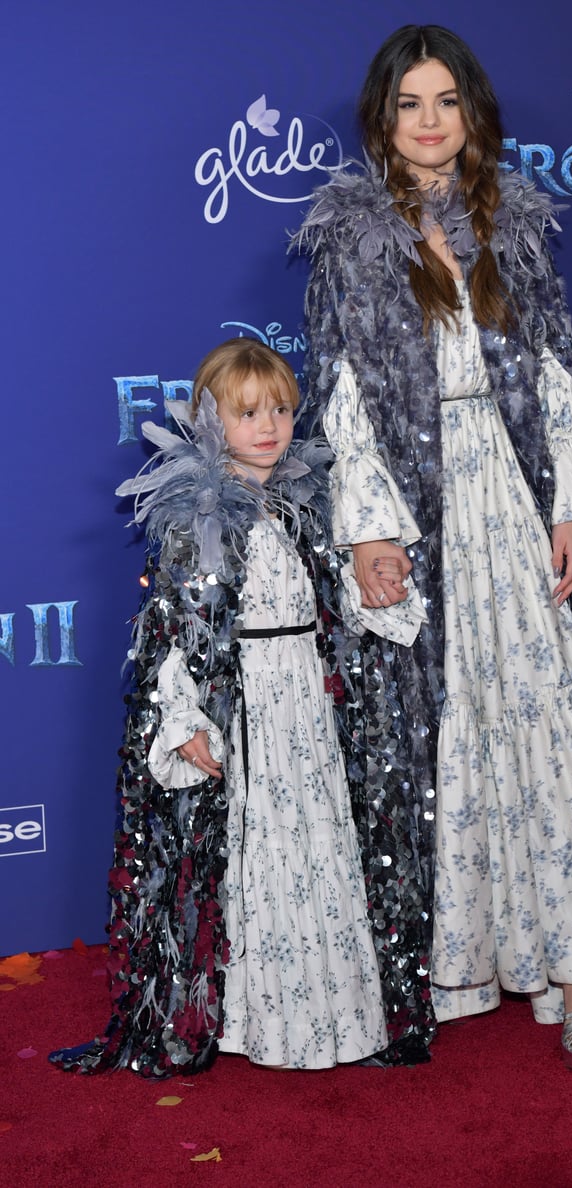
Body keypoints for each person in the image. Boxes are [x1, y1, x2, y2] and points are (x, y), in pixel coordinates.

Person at [295, 24, 572, 1070]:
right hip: (425, 509)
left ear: (473, 114)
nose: (431, 123)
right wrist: (370, 530)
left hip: (515, 500)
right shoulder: (351, 239)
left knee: (557, 726)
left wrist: (568, 507)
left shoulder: (513, 224)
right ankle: (483, 956)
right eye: (410, 106)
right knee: (456, 734)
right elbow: (342, 394)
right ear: (383, 122)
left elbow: (557, 379)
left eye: (447, 102)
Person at [49, 339, 386, 1077]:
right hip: (250, 709)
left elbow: (338, 608)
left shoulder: (307, 503)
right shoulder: (193, 516)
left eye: (282, 410)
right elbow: (170, 635)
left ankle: (336, 1013)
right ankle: (264, 1020)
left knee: (318, 844)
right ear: (209, 421)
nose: (268, 426)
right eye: (247, 413)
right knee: (258, 857)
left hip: (306, 705)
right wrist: (186, 720)